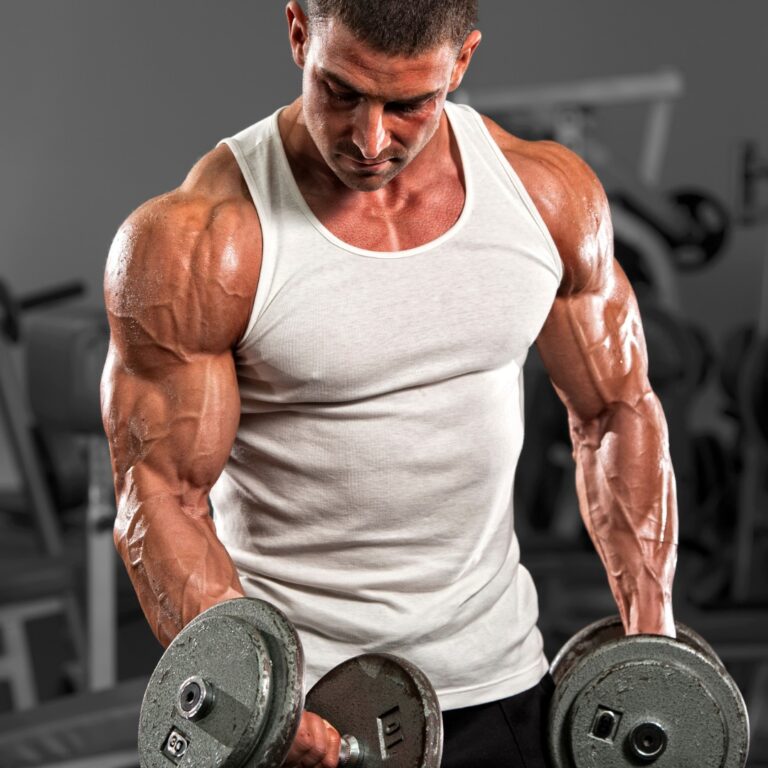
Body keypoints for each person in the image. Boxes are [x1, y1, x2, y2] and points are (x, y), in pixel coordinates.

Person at [100, 1, 678, 766]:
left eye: (409, 104)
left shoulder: (544, 197)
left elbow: (615, 410)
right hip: (306, 703)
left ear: (462, 63)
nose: (371, 140)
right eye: (342, 92)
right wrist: (252, 695)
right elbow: (158, 493)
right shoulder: (204, 238)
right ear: (300, 34)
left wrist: (654, 641)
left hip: (501, 684)